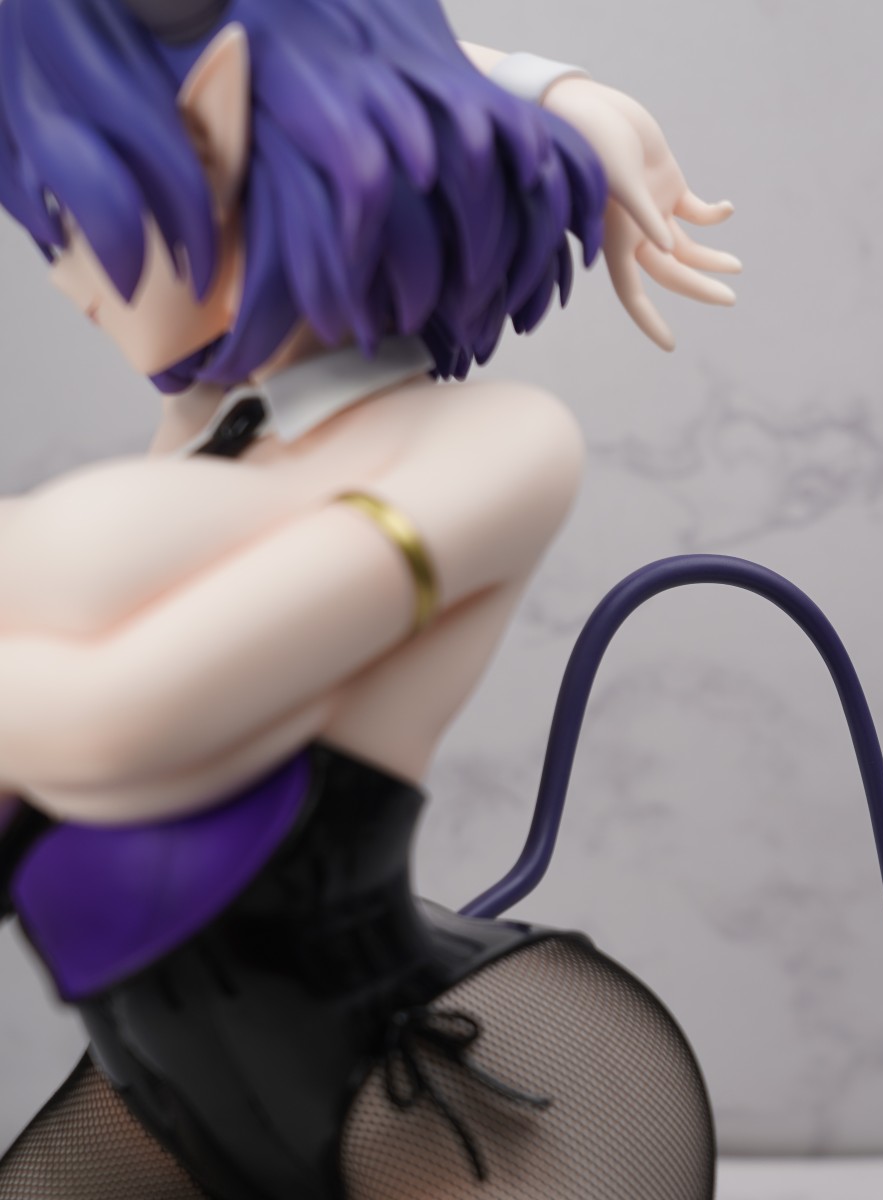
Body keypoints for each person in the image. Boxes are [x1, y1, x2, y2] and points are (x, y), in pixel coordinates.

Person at [0, 0, 739, 1195]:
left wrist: (519, 93)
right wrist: (551, 87)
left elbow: (118, 724)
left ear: (217, 125)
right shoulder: (209, 433)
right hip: (156, 1111)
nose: (60, 268)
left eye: (64, 210)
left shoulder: (491, 444)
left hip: (440, 1121)